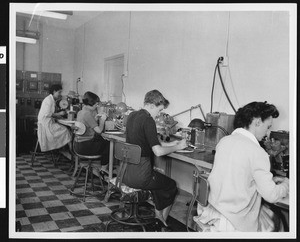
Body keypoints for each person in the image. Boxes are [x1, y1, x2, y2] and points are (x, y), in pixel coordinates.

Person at [194, 101, 289, 232]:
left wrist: (269, 181)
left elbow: (237, 177)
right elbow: (271, 196)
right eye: (267, 127)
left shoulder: (224, 141)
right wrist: (286, 184)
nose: (267, 133)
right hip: (234, 222)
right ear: (257, 122)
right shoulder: (257, 152)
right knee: (277, 221)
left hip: (212, 211)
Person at [123, 89, 188, 230]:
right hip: (141, 176)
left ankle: (158, 216)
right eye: (158, 111)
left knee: (160, 184)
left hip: (127, 173)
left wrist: (172, 144)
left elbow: (149, 142)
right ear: (151, 105)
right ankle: (161, 221)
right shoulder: (148, 120)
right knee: (170, 185)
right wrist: (178, 147)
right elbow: (158, 152)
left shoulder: (132, 115)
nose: (158, 115)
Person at [74, 91, 110, 167]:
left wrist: (95, 119)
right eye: (96, 104)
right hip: (85, 146)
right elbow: (99, 131)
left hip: (77, 145)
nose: (97, 106)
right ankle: (104, 169)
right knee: (109, 144)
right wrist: (102, 120)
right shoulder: (87, 114)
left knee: (102, 141)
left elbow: (86, 125)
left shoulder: (80, 112)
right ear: (91, 103)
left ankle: (103, 167)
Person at [37, 84, 72, 152]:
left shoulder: (51, 99)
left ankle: (66, 151)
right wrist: (59, 114)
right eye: (59, 92)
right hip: (46, 125)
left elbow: (50, 114)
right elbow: (47, 114)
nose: (60, 94)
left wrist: (58, 116)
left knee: (65, 130)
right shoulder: (49, 100)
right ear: (54, 91)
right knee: (66, 130)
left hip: (47, 123)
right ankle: (71, 152)